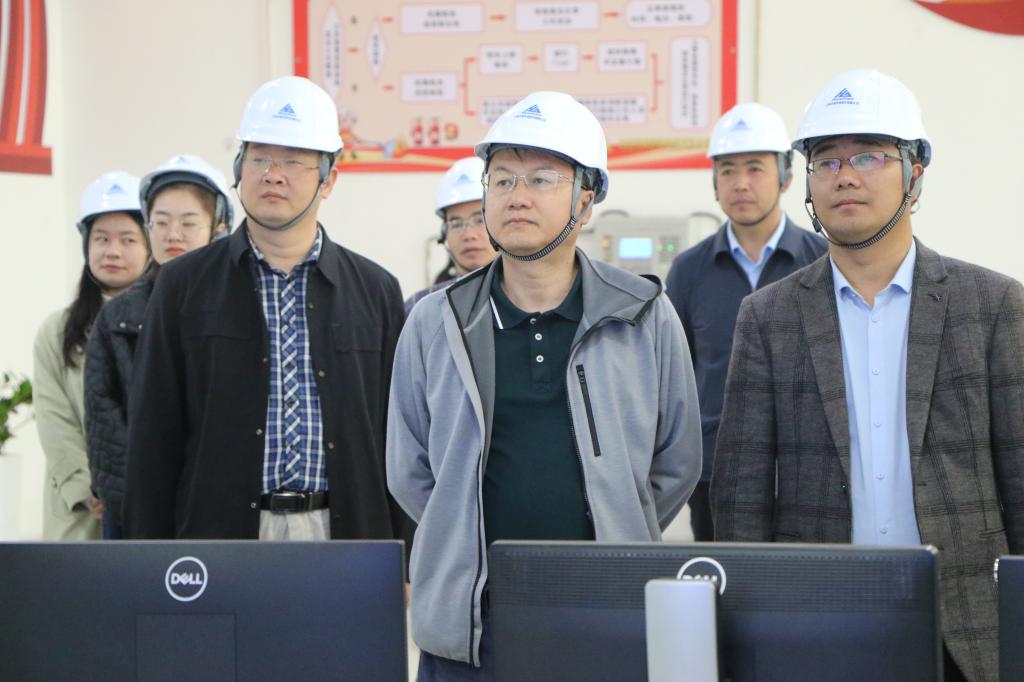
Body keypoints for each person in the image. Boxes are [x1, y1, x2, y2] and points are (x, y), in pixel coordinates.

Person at [711, 69, 1023, 682]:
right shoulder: (768, 317)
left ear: (915, 173)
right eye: (826, 161)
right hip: (816, 625)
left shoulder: (992, 306)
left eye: (869, 156)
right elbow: (741, 498)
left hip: (965, 630)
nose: (845, 176)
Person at [387, 91, 702, 679]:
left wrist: (619, 522)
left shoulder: (643, 315)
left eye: (541, 179)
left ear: (586, 198)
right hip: (472, 627)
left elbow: (677, 461)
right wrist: (460, 532)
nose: (517, 196)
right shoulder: (436, 319)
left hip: (605, 615)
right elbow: (409, 468)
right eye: (502, 180)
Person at [123, 76, 412, 546]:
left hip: (348, 537)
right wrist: (147, 557)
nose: (272, 174)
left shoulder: (375, 290)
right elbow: (152, 436)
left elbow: (401, 437)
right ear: (239, 169)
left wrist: (407, 552)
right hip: (220, 539)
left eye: (293, 161)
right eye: (259, 158)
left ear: (328, 180)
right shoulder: (182, 286)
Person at [665, 103, 826, 540]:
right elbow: (676, 376)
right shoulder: (689, 270)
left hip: (809, 467)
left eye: (755, 168)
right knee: (720, 579)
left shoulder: (823, 261)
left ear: (786, 177)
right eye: (727, 170)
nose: (740, 183)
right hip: (714, 470)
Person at [84, 154, 232, 539]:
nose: (173, 235)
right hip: (136, 510)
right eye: (161, 222)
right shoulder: (117, 317)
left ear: (218, 227)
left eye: (188, 223)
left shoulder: (238, 309)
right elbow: (104, 426)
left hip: (220, 509)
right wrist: (142, 500)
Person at [33, 171, 149, 540]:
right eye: (101, 238)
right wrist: (89, 489)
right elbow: (54, 419)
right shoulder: (57, 330)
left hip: (149, 505)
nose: (112, 251)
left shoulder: (164, 323)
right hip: (81, 511)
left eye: (127, 239)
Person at [405, 156, 497, 313]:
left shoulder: (530, 297)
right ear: (444, 234)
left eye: (480, 220)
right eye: (456, 223)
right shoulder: (419, 308)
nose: (469, 235)